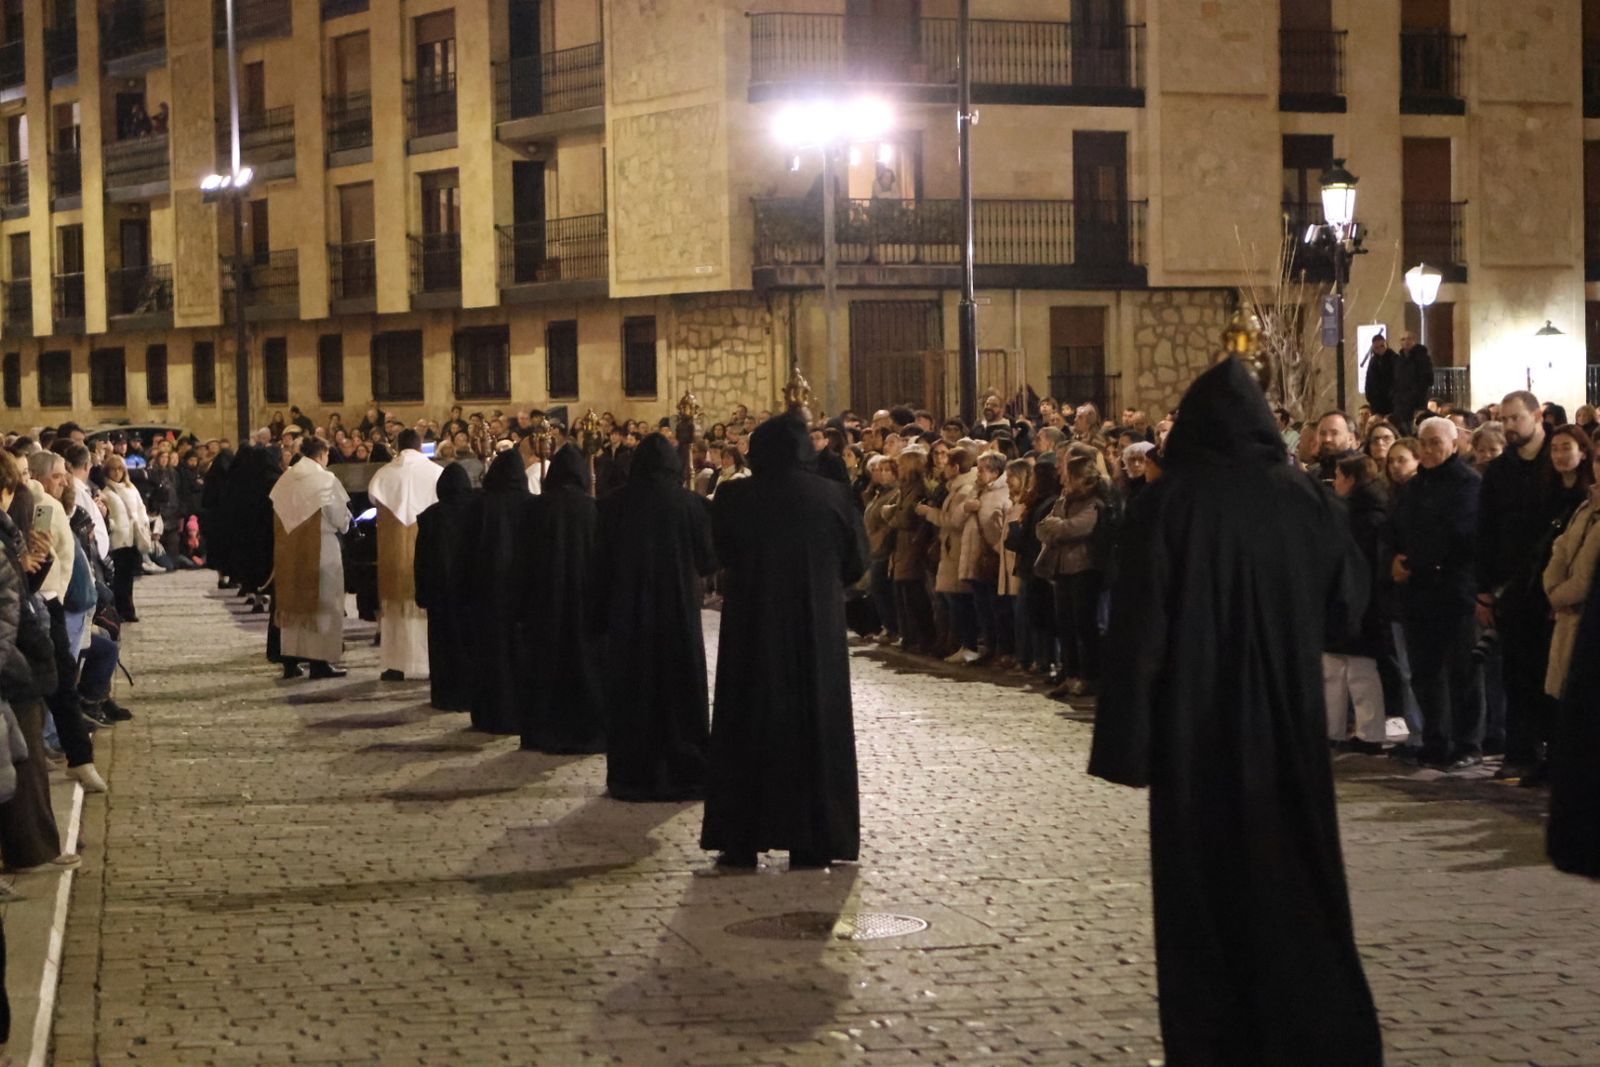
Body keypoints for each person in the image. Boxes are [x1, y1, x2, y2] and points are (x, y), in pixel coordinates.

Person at [1088, 357, 1381, 1066]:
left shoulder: (1169, 502)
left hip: (1197, 729)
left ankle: (1217, 1042)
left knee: (1203, 894)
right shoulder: (1304, 498)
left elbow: (1138, 631)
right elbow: (1349, 602)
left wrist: (1128, 744)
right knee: (1295, 874)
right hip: (1286, 722)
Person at [700, 415, 868, 870]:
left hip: (754, 626)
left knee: (747, 722)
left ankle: (741, 837)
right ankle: (813, 838)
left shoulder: (736, 496)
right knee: (815, 722)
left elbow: (719, 553)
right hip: (816, 628)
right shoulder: (833, 496)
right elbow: (856, 563)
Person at [593, 435, 718, 801]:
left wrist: (598, 617)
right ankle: (686, 772)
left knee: (634, 689)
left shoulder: (612, 506)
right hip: (677, 610)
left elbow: (600, 565)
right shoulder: (690, 505)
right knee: (679, 689)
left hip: (628, 611)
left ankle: (633, 775)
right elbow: (709, 561)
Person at [1389, 417, 1484, 770]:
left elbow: (1458, 533)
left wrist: (1412, 560)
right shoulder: (1414, 487)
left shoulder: (1467, 484)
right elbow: (1395, 527)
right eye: (1423, 443)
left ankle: (1467, 743)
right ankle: (1435, 739)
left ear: (1454, 443)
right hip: (1417, 594)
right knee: (1425, 672)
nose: (1428, 450)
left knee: (1462, 671)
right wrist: (1393, 559)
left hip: (1453, 591)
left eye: (1435, 443)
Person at [522, 445, 605, 754]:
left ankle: (543, 731)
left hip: (544, 600)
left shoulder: (533, 509)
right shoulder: (593, 508)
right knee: (585, 664)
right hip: (585, 600)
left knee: (545, 664)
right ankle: (588, 731)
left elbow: (521, 558)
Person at [268, 438, 350, 680]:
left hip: (290, 550)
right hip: (322, 548)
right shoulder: (325, 479)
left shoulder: (286, 479)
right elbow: (339, 517)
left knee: (292, 603)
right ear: (323, 453)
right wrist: (346, 524)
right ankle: (320, 661)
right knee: (323, 604)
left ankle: (291, 662)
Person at [462, 451, 531, 734]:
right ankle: (522, 714)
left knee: (491, 656)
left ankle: (491, 715)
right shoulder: (532, 505)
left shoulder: (479, 505)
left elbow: (466, 552)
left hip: (486, 593)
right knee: (520, 655)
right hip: (522, 595)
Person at [1325, 455, 1391, 753]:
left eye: (1338, 476)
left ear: (1350, 480)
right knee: (1335, 668)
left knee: (1360, 670)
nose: (1335, 482)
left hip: (1358, 601)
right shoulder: (1353, 514)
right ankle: (1334, 728)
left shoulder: (1363, 518)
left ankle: (1369, 732)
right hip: (1347, 599)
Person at [366, 430, 442, 682]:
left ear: (397, 447)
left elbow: (373, 497)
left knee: (396, 609)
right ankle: (429, 663)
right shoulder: (435, 472)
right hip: (425, 547)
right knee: (425, 608)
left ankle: (395, 665)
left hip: (393, 549)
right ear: (421, 446)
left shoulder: (384, 473)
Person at [413, 463, 474, 711]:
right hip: (471, 592)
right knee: (470, 645)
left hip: (441, 593)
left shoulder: (431, 516)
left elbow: (422, 559)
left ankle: (446, 695)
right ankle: (471, 694)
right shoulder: (476, 510)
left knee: (443, 647)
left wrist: (422, 594)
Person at [1392, 331, 1434, 432]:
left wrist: (1415, 392)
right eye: (1403, 339)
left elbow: (1427, 379)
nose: (1406, 342)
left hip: (1416, 402)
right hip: (1401, 403)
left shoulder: (1422, 358)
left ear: (1414, 341)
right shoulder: (1399, 360)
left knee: (1416, 429)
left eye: (1409, 338)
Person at [1362, 333, 1394, 419]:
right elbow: (1369, 381)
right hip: (1376, 404)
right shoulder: (1373, 361)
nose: (1379, 349)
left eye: (1382, 346)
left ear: (1386, 344)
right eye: (1376, 347)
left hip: (1392, 404)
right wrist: (1370, 396)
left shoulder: (1394, 359)